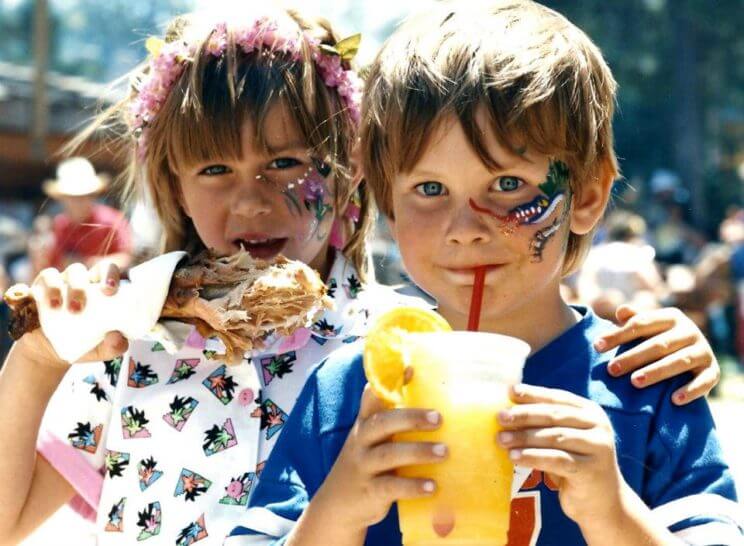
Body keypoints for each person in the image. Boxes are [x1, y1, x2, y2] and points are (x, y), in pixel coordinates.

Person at [228, 2, 742, 545]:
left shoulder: (647, 388)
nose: (466, 228)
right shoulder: (351, 392)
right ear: (389, 206)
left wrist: (613, 512)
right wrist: (338, 509)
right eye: (430, 190)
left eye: (506, 185)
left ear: (588, 196)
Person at [0, 7, 391, 545]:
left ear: (348, 167)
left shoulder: (396, 345)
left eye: (284, 163)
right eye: (214, 170)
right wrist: (37, 362)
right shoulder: (127, 346)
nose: (251, 201)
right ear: (176, 189)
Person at [39, 157, 133, 273]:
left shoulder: (112, 221)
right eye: (72, 197)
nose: (79, 202)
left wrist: (90, 264)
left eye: (84, 196)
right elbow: (51, 266)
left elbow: (127, 258)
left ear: (93, 196)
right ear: (62, 199)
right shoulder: (59, 226)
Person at [577, 210, 665, 321]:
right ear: (633, 235)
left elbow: (585, 288)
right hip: (632, 317)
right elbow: (653, 286)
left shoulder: (595, 254)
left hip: (599, 316)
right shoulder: (638, 254)